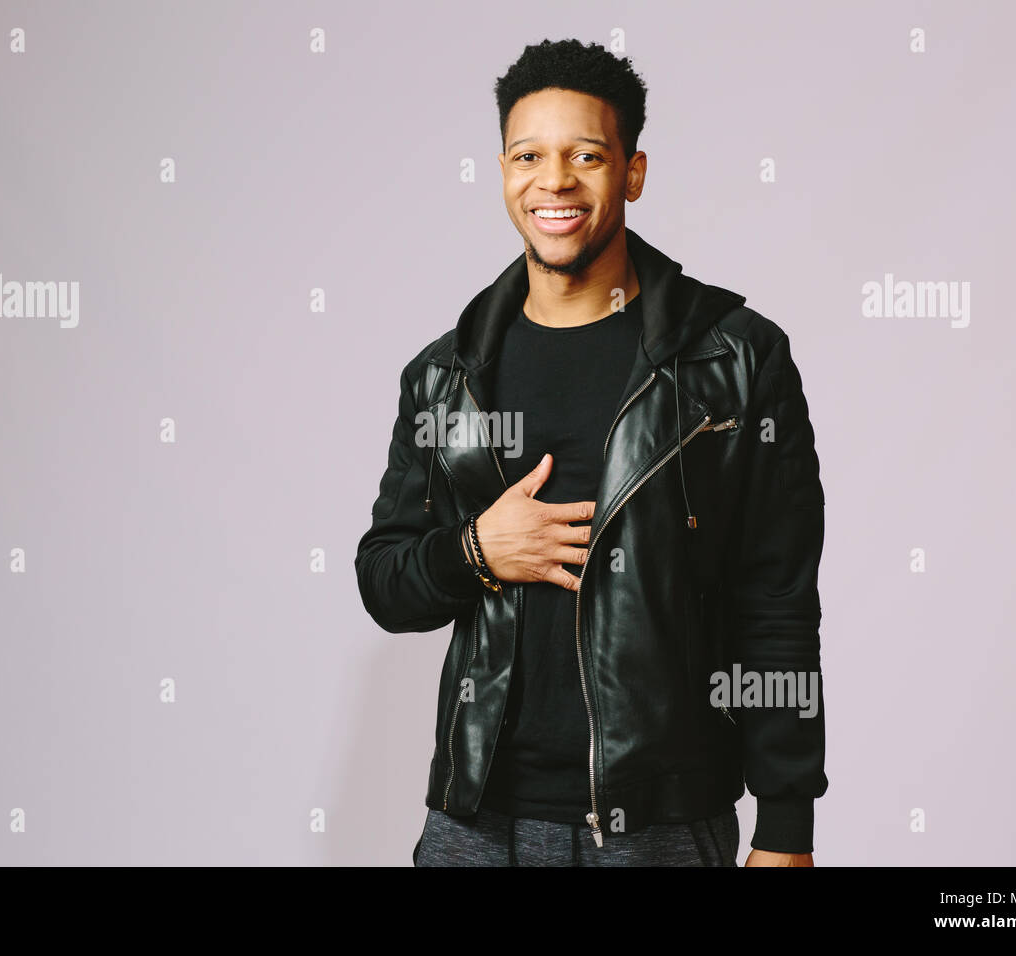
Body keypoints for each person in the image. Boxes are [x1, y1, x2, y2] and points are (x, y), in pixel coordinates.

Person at [354, 38, 827, 867]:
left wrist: (786, 827)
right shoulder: (446, 376)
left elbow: (777, 597)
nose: (555, 181)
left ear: (633, 173)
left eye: (587, 155)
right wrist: (478, 552)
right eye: (529, 155)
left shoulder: (735, 360)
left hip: (660, 825)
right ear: (503, 171)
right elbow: (386, 582)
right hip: (475, 820)